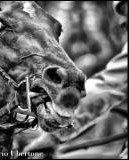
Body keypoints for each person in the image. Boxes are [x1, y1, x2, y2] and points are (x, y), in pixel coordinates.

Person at [12, 1, 127, 158]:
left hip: (79, 80)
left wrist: (90, 60)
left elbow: (110, 82)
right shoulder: (53, 20)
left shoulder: (89, 16)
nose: (121, 23)